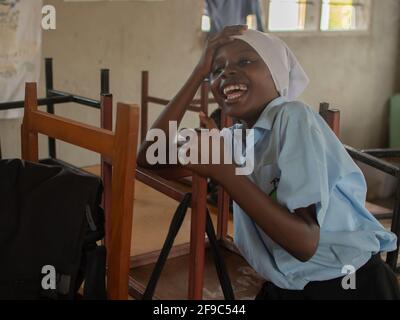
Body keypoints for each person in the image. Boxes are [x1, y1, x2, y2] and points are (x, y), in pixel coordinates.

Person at [137, 25, 400, 299]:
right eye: (216, 70)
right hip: (289, 283)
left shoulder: (293, 117)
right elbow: (149, 156)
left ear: (276, 75)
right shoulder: (234, 138)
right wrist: (197, 73)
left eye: (245, 61)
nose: (226, 72)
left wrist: (226, 173)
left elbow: (305, 243)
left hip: (347, 283)